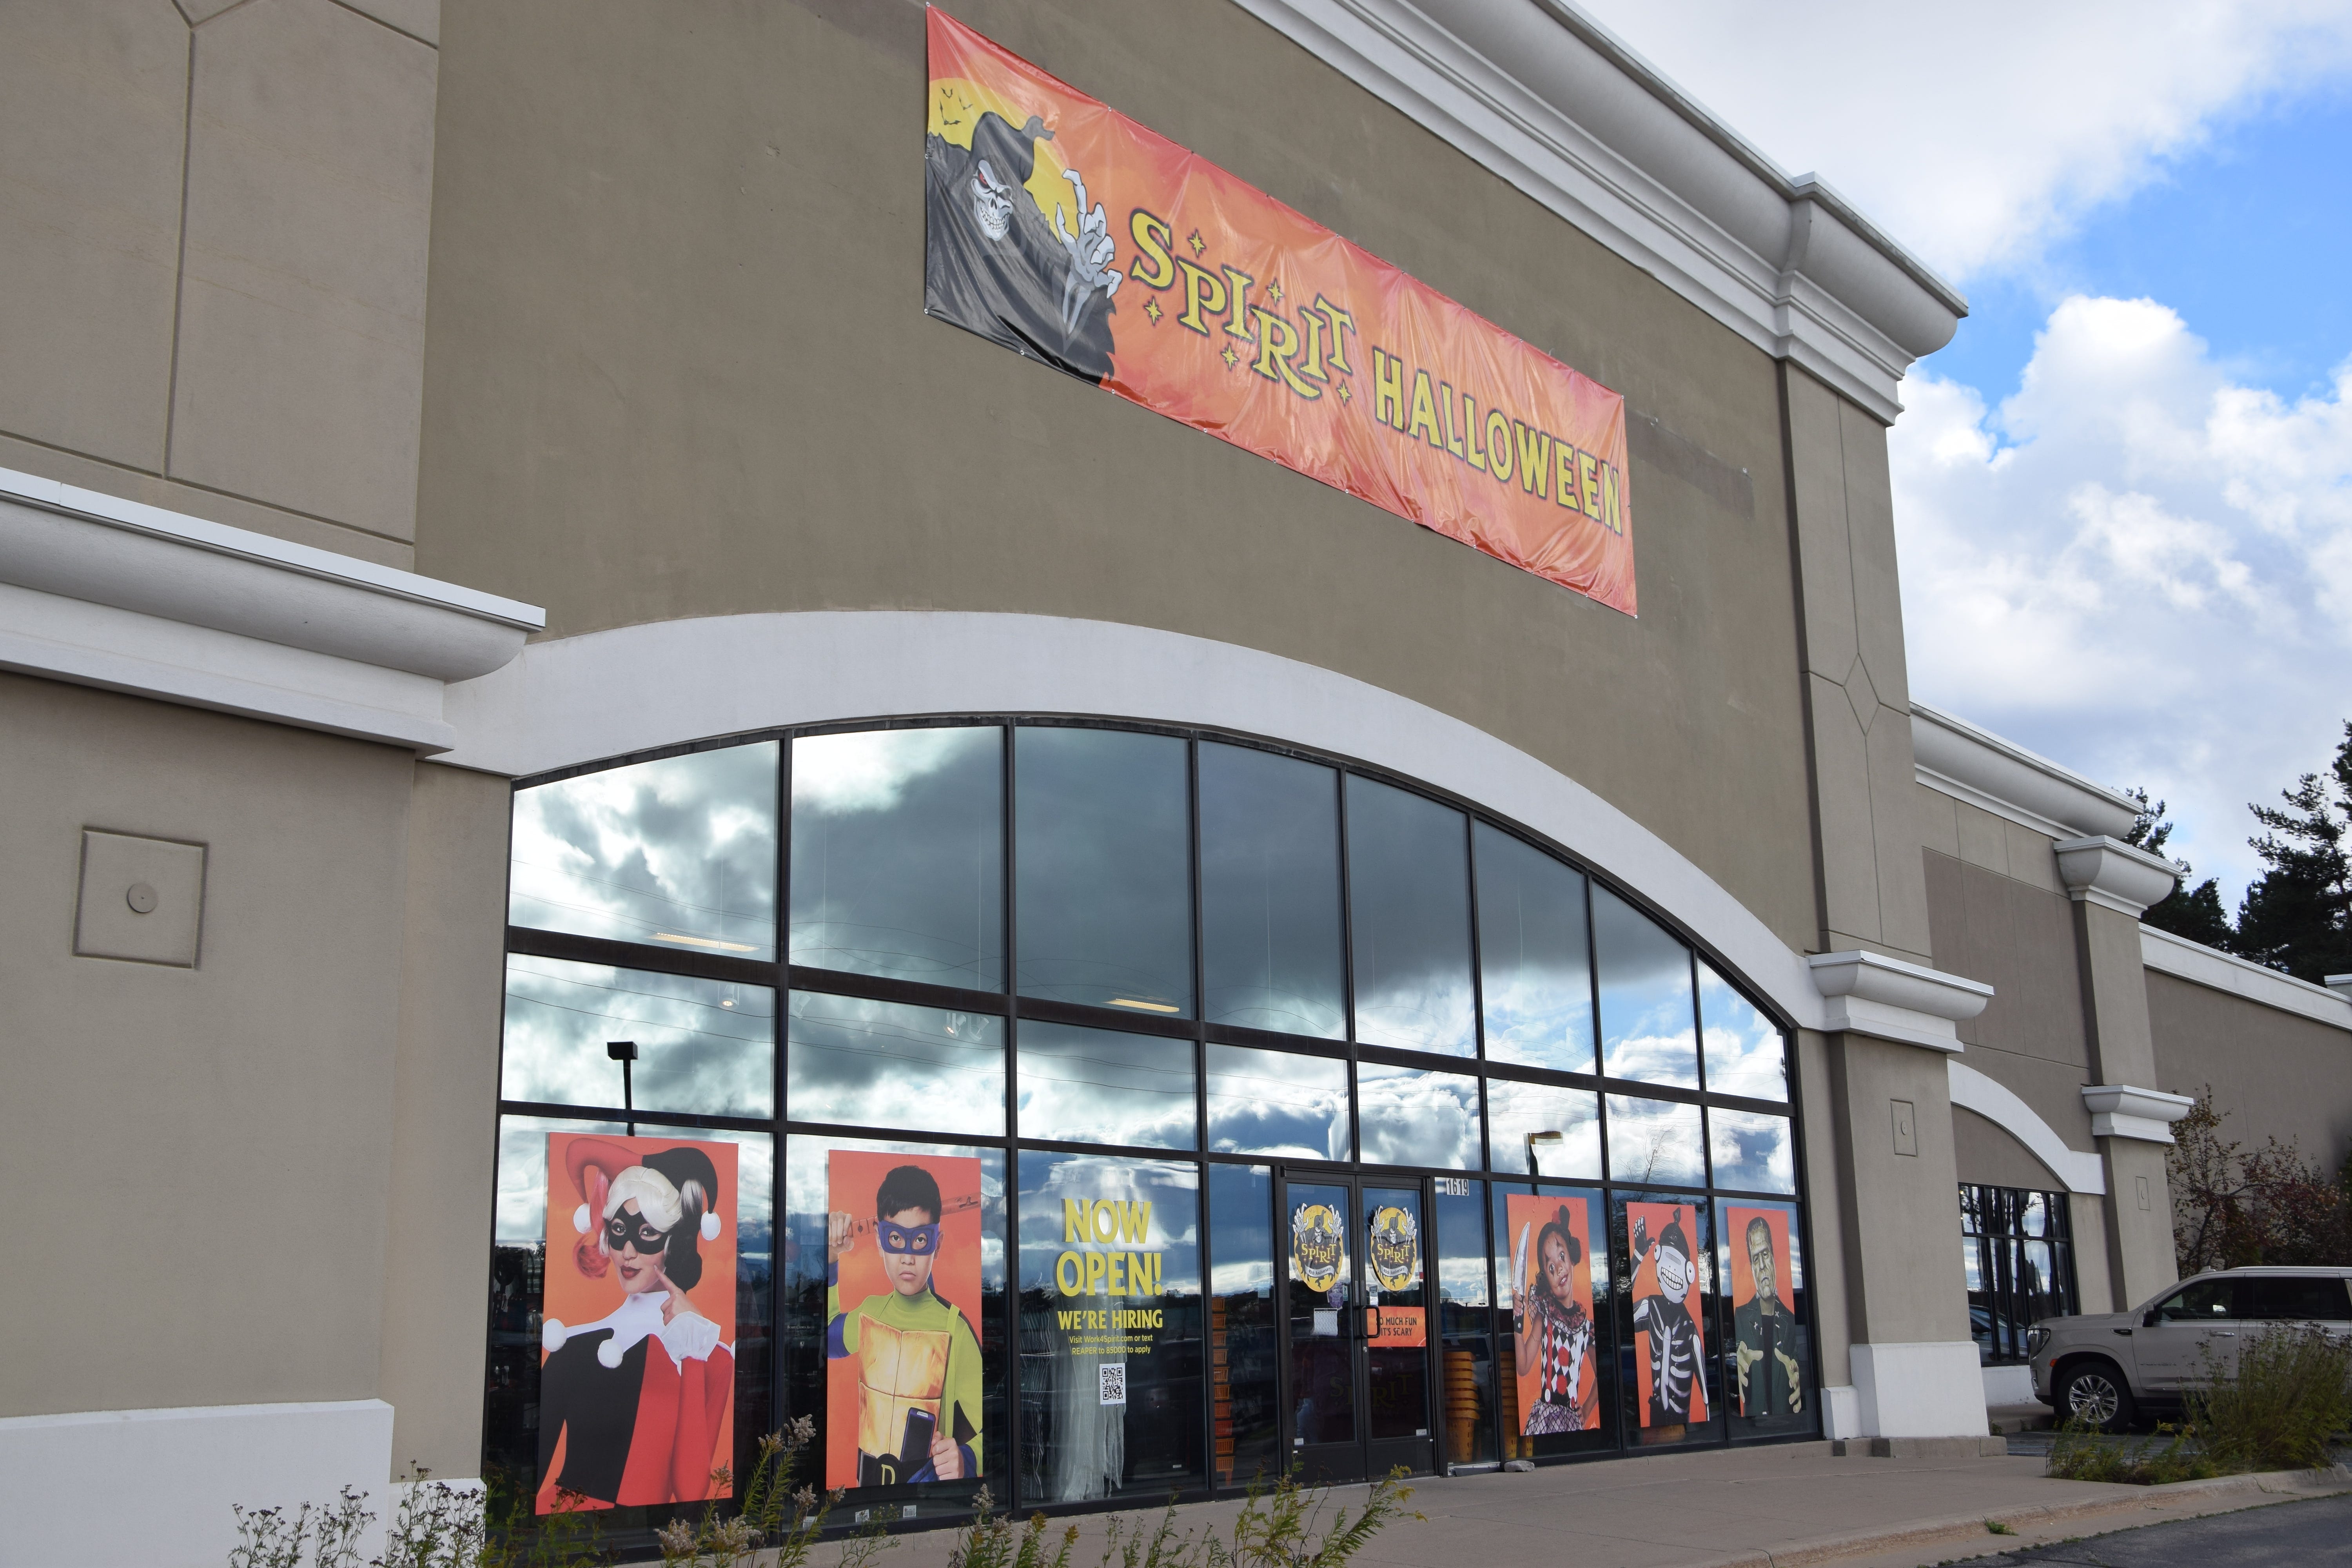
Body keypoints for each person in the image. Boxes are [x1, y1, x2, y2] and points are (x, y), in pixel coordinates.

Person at [537, 1140, 733, 1510]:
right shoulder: (574, 1348)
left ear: (674, 1245)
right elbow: (524, 1481)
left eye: (647, 1234)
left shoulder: (711, 1357)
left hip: (647, 1544)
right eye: (619, 1230)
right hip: (562, 1539)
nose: (628, 1253)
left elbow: (691, 1494)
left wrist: (693, 1350)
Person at [924, 109, 1121, 382]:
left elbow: (1052, 252)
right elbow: (930, 148)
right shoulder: (957, 165)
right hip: (951, 303)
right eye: (986, 184)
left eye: (1004, 194)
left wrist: (1083, 278)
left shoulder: (1024, 211)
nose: (995, 201)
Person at [828, 1164, 984, 1486]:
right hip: (869, 1496)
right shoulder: (870, 1313)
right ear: (880, 1242)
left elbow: (992, 1425)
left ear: (937, 1245)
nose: (909, 1257)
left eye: (921, 1240)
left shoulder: (956, 1329)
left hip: (929, 1501)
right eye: (897, 1238)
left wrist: (966, 1458)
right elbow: (827, 1339)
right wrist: (829, 1259)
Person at [1512, 1205, 1594, 1433]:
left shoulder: (1586, 1328)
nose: (1558, 1268)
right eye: (1550, 1267)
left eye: (1561, 1256)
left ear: (1571, 1258)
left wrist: (1586, 1409)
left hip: (1571, 1421)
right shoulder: (1545, 1316)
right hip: (1544, 1420)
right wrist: (1518, 1327)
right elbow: (1523, 1365)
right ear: (1546, 1279)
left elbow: (1603, 1373)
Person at [1629, 1208, 1701, 1426]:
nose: (1671, 1268)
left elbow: (1706, 1396)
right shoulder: (1651, 1307)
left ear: (1690, 1273)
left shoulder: (1690, 1327)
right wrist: (1638, 1256)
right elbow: (1625, 1316)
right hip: (1655, 1414)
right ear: (1658, 1255)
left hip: (1682, 1421)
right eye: (1666, 1258)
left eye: (1677, 1263)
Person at [1733, 1215, 1803, 1417]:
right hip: (1752, 1429)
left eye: (1765, 1254)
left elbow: (1798, 1364)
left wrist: (1798, 1377)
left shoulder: (1790, 1319)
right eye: (1756, 1258)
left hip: (1785, 1426)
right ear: (1752, 1268)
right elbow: (1736, 1357)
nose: (1762, 1265)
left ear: (1774, 1257)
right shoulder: (1740, 1316)